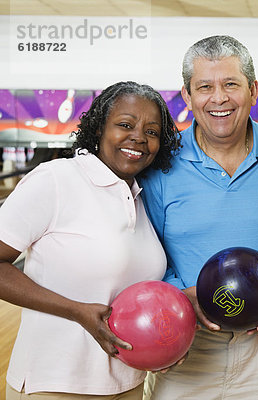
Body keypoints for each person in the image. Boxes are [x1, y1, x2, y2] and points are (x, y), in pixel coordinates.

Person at [140, 35, 258, 399]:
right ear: (187, 96)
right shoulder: (160, 162)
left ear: (253, 90)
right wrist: (182, 295)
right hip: (185, 341)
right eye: (205, 87)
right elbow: (147, 248)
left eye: (231, 84)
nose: (218, 98)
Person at [0, 81, 181, 399]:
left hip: (128, 383)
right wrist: (75, 310)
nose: (138, 136)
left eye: (151, 132)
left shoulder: (139, 196)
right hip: (55, 382)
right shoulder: (55, 180)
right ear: (99, 129)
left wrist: (164, 344)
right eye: (125, 124)